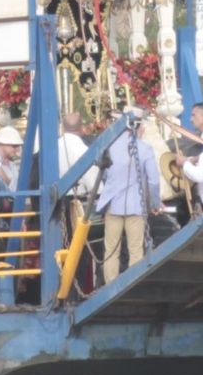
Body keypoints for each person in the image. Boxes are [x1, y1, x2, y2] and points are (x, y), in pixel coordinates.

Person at [96, 123, 164, 281]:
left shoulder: (108, 147)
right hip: (135, 206)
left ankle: (110, 288)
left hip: (113, 205)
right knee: (136, 251)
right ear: (138, 128)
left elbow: (104, 175)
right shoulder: (145, 148)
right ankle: (133, 286)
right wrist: (154, 203)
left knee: (111, 251)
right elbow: (153, 181)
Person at [58, 112, 98, 197]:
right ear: (81, 128)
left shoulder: (53, 148)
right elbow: (94, 184)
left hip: (54, 199)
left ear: (63, 127)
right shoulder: (84, 150)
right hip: (77, 200)